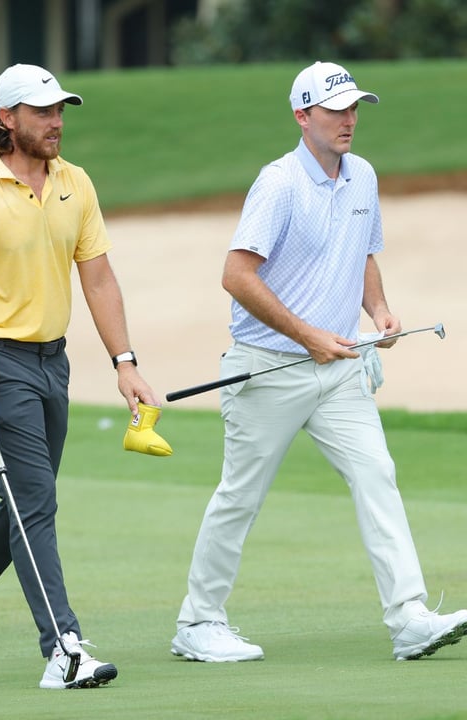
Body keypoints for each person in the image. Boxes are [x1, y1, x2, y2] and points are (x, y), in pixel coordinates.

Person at [170, 61, 467, 664]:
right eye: (335, 110)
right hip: (267, 365)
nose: (349, 120)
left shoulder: (363, 178)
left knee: (376, 473)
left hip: (338, 369)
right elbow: (236, 275)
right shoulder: (278, 184)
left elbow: (361, 253)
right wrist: (308, 335)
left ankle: (409, 616)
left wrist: (379, 309)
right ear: (303, 117)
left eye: (355, 108)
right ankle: (198, 623)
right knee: (241, 497)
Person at [0, 63, 162, 690]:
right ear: (6, 119)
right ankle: (64, 649)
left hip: (54, 363)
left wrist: (124, 362)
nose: (55, 122)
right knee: (35, 504)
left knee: (27, 503)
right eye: (42, 111)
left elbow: (98, 277)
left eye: (60, 111)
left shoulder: (75, 183)